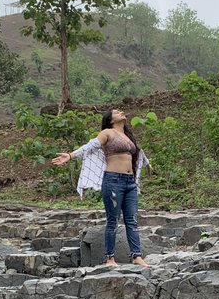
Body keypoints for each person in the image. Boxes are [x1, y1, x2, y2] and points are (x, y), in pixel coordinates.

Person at [51, 108, 151, 268]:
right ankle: (110, 259)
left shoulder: (127, 135)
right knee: (113, 221)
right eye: (117, 112)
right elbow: (90, 146)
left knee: (131, 220)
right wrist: (70, 155)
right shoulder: (107, 133)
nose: (121, 112)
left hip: (129, 182)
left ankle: (136, 256)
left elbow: (137, 152)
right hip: (113, 181)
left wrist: (146, 163)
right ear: (111, 119)